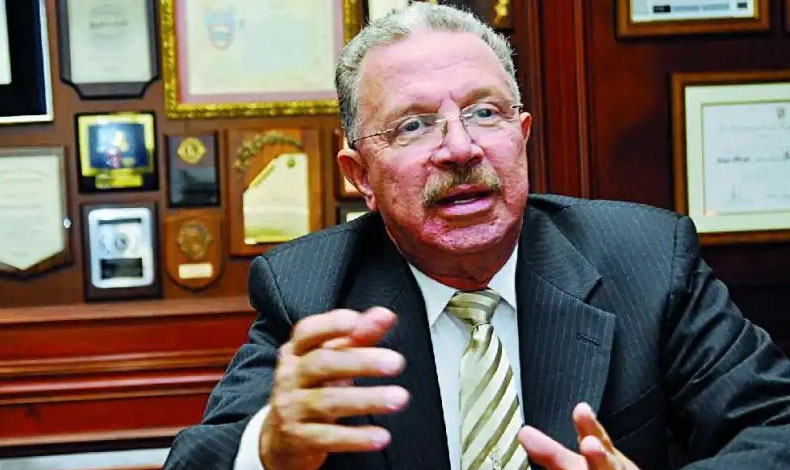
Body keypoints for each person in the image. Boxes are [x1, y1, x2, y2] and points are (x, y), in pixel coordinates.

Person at [164, 4, 790, 470]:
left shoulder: (646, 259)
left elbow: (775, 427)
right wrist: (270, 449)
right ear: (360, 176)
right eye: (413, 125)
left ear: (522, 136)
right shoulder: (312, 293)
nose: (460, 148)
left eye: (485, 112)